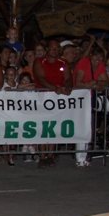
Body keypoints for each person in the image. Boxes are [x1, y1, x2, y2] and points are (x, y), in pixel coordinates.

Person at [33, 39, 71, 169]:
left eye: (56, 48)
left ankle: (50, 155)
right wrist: (55, 87)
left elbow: (68, 78)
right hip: (43, 98)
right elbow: (40, 78)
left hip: (57, 99)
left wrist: (68, 87)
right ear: (47, 49)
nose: (54, 50)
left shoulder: (64, 62)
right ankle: (42, 156)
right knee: (44, 127)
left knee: (54, 126)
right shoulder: (39, 61)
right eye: (52, 48)